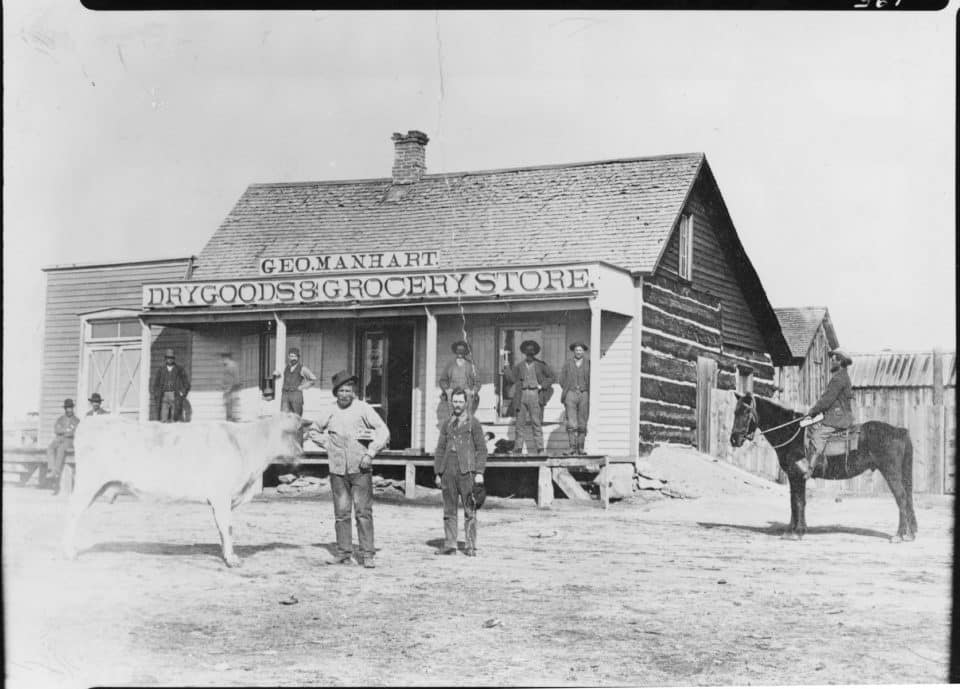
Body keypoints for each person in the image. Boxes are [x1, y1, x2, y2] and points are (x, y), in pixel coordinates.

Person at [306, 370, 390, 568]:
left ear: (353, 392)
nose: (345, 394)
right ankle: (343, 552)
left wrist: (371, 453)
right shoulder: (330, 410)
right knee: (342, 512)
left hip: (360, 468)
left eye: (348, 390)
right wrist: (327, 444)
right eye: (341, 390)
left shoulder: (363, 408)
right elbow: (313, 430)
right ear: (336, 393)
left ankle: (367, 554)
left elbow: (383, 431)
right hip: (337, 470)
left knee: (363, 512)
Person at [433, 388, 487, 557]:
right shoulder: (447, 424)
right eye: (454, 401)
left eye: (460, 401)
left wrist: (479, 472)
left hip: (467, 471)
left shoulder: (473, 423)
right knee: (449, 510)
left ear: (466, 403)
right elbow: (440, 449)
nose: (457, 405)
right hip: (448, 469)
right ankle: (450, 544)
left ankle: (470, 546)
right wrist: (438, 472)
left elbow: (482, 449)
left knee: (470, 509)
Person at [803, 348, 855, 479]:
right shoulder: (843, 376)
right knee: (811, 428)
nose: (831, 361)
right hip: (839, 415)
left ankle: (811, 469)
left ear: (840, 361)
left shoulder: (838, 379)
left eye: (834, 359)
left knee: (817, 435)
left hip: (838, 418)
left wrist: (812, 412)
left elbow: (826, 400)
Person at [502, 340, 555, 455]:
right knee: (519, 423)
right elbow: (511, 379)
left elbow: (551, 377)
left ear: (535, 352)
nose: (530, 354)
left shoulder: (541, 365)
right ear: (524, 353)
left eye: (532, 351)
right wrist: (506, 367)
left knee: (536, 422)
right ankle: (518, 448)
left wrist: (543, 385)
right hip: (521, 395)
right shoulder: (519, 366)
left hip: (535, 394)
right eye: (527, 351)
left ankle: (540, 449)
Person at [559, 342, 590, 455]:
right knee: (571, 422)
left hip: (584, 393)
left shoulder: (588, 363)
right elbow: (561, 379)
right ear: (574, 351)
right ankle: (572, 447)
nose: (578, 352)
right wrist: (568, 388)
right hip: (570, 393)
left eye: (580, 350)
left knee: (582, 421)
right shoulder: (568, 364)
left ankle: (580, 448)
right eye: (577, 350)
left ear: (583, 352)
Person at [46, 398, 79, 493]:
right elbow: (56, 430)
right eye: (67, 408)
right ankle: (51, 469)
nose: (69, 410)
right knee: (50, 447)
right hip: (59, 438)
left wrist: (64, 431)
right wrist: (66, 430)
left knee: (61, 449)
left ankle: (56, 472)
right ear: (65, 409)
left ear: (73, 408)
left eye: (71, 408)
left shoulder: (76, 420)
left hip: (69, 441)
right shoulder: (60, 419)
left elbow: (74, 432)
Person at [439, 340, 480, 415]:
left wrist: (473, 391)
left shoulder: (471, 365)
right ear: (455, 351)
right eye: (458, 350)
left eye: (462, 350)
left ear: (465, 351)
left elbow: (477, 381)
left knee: (466, 415)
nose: (460, 352)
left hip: (466, 392)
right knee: (453, 416)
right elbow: (443, 380)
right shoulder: (450, 364)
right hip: (452, 393)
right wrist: (447, 390)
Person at [150, 348, 190, 422]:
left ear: (174, 359)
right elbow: (156, 383)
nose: (170, 359)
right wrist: (156, 393)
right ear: (165, 359)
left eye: (171, 358)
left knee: (175, 418)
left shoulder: (179, 369)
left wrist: (182, 392)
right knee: (163, 418)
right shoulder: (161, 370)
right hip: (164, 395)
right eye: (168, 358)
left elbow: (186, 383)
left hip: (175, 395)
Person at [274, 347, 316, 416]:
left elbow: (313, 379)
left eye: (295, 356)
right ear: (288, 357)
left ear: (298, 357)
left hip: (296, 395)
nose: (293, 358)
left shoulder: (302, 368)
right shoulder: (285, 367)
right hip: (285, 395)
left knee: (296, 417)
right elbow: (278, 373)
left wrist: (302, 387)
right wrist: (276, 373)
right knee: (284, 417)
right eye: (291, 356)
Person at [221, 351, 241, 421]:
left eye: (223, 359)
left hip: (231, 388)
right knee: (228, 404)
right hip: (228, 388)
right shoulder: (227, 366)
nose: (222, 360)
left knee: (230, 404)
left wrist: (231, 388)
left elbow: (236, 378)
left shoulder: (232, 366)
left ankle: (231, 418)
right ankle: (229, 417)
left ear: (227, 358)